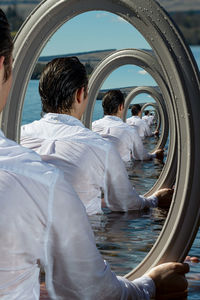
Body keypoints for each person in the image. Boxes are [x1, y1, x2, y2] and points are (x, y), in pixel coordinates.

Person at [0, 9, 190, 300]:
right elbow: (125, 206)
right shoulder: (46, 178)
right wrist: (150, 283)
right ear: (81, 95)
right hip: (92, 244)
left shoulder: (23, 137)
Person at [21, 57, 172, 216]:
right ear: (80, 94)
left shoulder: (18, 136)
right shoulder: (100, 146)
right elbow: (126, 203)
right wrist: (155, 199)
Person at [92, 89, 163, 162]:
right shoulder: (129, 129)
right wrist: (155, 155)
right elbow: (141, 156)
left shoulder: (92, 126)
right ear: (121, 107)